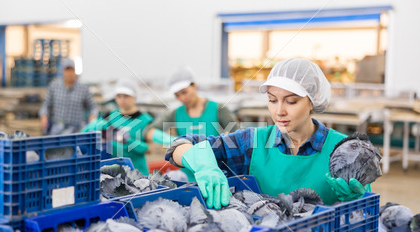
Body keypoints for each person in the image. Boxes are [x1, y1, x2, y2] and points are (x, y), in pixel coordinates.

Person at [165, 58, 371, 209]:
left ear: (312, 101)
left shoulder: (345, 150)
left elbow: (366, 216)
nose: (279, 111)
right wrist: (203, 164)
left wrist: (355, 201)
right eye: (272, 100)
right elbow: (180, 144)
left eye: (291, 101)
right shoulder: (253, 141)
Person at [146, 66, 239, 181]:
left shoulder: (217, 109)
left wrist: (219, 146)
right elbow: (149, 131)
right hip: (188, 175)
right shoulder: (176, 113)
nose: (182, 98)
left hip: (215, 173)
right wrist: (176, 143)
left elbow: (237, 133)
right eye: (177, 95)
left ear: (194, 86)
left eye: (184, 92)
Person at [82, 79, 153, 175]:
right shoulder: (110, 116)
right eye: (119, 96)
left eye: (126, 96)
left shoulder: (146, 120)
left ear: (135, 97)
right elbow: (92, 133)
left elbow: (149, 149)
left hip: (137, 173)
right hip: (114, 173)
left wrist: (127, 140)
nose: (122, 100)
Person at [39, 58, 98, 135]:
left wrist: (93, 117)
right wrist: (44, 117)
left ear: (75, 71)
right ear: (63, 71)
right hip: (58, 126)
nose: (70, 73)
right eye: (67, 70)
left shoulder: (83, 89)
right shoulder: (54, 86)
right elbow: (46, 104)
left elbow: (93, 107)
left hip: (77, 128)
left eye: (72, 70)